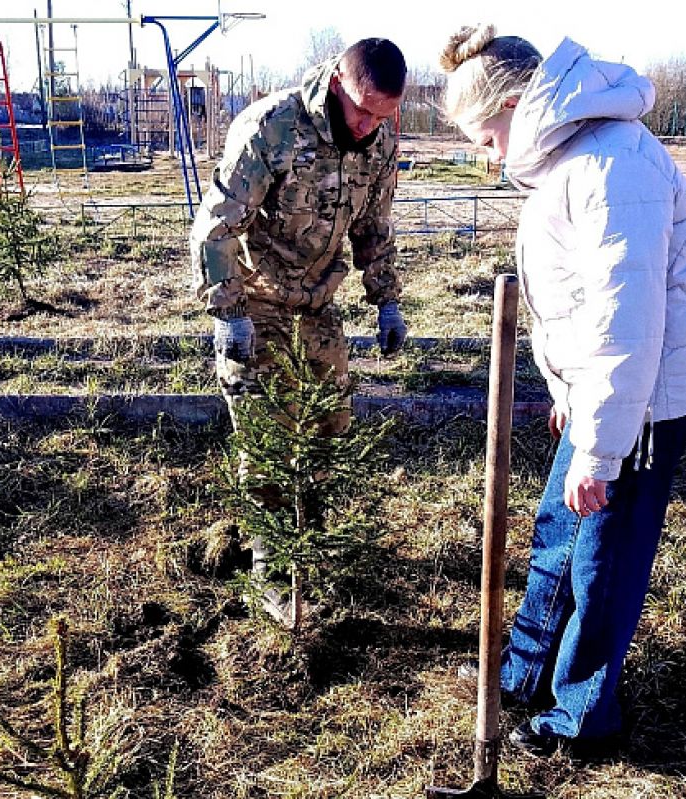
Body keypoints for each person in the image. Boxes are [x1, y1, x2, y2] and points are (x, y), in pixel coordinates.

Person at [440, 25, 686, 757]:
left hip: (644, 403)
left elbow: (627, 324)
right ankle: (525, 671)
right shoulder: (573, 158)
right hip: (607, 395)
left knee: (605, 558)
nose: (484, 152)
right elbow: (585, 306)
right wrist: (571, 389)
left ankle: (581, 717)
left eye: (483, 135)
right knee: (561, 532)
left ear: (513, 104)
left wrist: (599, 448)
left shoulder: (610, 167)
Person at [190, 38, 409, 622]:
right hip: (257, 300)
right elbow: (214, 227)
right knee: (267, 443)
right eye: (363, 110)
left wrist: (386, 300)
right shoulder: (273, 127)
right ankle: (271, 574)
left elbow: (374, 225)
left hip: (317, 305)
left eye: (383, 115)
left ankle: (308, 549)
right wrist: (228, 313)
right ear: (338, 82)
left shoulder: (380, 138)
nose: (368, 126)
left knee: (329, 429)